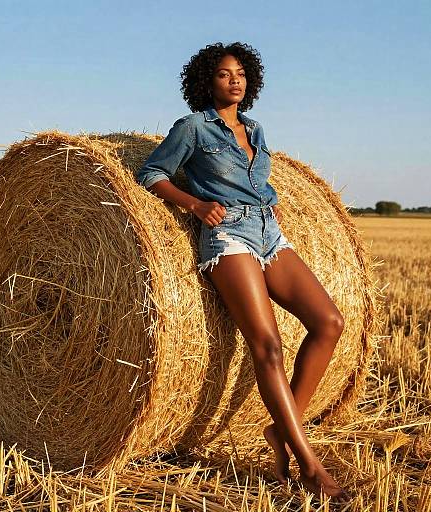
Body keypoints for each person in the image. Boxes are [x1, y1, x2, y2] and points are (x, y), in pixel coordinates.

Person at [135, 41, 351, 503]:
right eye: (223, 74)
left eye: (241, 73)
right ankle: (309, 464)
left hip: (269, 231)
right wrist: (195, 204)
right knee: (267, 346)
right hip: (228, 235)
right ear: (206, 82)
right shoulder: (192, 127)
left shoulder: (255, 128)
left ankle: (281, 430)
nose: (234, 80)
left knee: (329, 322)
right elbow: (151, 173)